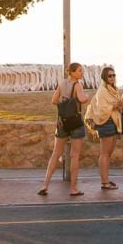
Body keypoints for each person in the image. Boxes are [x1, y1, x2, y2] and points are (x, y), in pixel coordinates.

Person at [40, 62, 91, 197]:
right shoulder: (78, 85)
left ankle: (45, 184)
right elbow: (82, 99)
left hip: (62, 122)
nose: (82, 73)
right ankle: (73, 188)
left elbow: (54, 100)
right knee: (74, 156)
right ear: (72, 72)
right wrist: (87, 97)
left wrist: (65, 102)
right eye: (79, 71)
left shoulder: (62, 84)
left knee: (56, 154)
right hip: (75, 122)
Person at [85, 66, 123, 190]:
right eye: (109, 76)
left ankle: (106, 179)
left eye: (114, 75)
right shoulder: (103, 91)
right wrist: (116, 105)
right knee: (104, 153)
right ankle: (104, 182)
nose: (112, 78)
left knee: (108, 153)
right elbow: (102, 109)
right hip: (106, 122)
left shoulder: (112, 89)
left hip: (113, 122)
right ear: (105, 77)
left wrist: (118, 105)